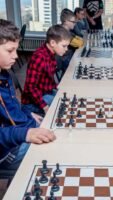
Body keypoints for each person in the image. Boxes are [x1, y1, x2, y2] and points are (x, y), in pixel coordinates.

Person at [0, 19, 56, 170]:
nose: (16, 56)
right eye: (10, 50)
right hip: (6, 151)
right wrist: (26, 133)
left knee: (54, 130)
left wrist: (28, 113)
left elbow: (12, 106)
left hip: (17, 132)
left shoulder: (4, 74)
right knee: (53, 150)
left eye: (16, 50)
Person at [22, 25, 71, 115]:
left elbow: (48, 79)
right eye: (64, 46)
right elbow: (30, 88)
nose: (66, 49)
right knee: (63, 107)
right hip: (33, 102)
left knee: (67, 97)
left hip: (45, 92)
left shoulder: (51, 54)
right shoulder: (39, 57)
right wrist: (45, 107)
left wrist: (57, 88)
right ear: (52, 43)